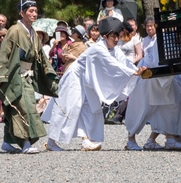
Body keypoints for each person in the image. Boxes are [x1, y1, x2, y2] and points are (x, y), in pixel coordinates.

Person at [44, 18, 141, 151]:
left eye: (117, 36)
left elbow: (123, 61)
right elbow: (112, 65)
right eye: (113, 36)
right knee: (70, 106)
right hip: (75, 77)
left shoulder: (114, 49)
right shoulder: (98, 48)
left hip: (87, 80)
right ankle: (51, 142)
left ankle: (86, 140)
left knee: (90, 106)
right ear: (105, 36)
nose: (116, 39)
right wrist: (133, 72)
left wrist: (137, 70)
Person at [0, 0, 58, 154]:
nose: (34, 14)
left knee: (14, 108)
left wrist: (50, 75)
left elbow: (40, 56)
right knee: (23, 107)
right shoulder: (14, 30)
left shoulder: (32, 31)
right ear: (22, 12)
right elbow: (5, 54)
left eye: (35, 11)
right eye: (31, 11)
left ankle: (7, 142)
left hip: (28, 75)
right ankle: (26, 143)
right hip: (15, 75)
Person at [124, 17, 181, 151]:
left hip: (164, 77)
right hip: (150, 75)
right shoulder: (163, 39)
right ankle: (131, 139)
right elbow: (158, 61)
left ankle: (169, 138)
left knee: (170, 106)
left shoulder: (170, 38)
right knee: (143, 108)